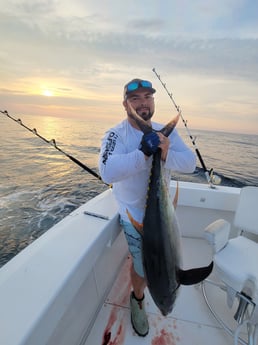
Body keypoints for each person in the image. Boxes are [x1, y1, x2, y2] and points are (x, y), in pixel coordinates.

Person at [98, 78, 196, 337]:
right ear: (125, 104)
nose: (142, 103)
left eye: (147, 97)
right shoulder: (115, 135)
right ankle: (138, 299)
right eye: (135, 99)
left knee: (162, 257)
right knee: (142, 267)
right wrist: (143, 153)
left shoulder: (167, 132)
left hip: (163, 212)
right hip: (134, 215)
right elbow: (107, 172)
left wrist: (165, 153)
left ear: (153, 102)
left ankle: (139, 296)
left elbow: (190, 164)